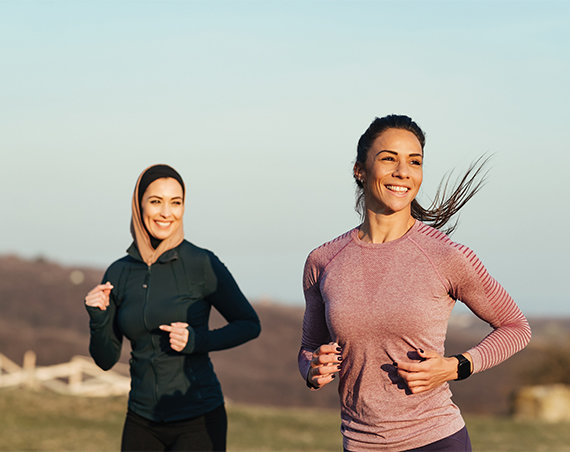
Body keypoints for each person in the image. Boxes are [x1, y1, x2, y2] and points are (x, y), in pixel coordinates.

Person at [298, 115, 531, 451]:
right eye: (389, 158)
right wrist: (312, 369)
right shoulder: (323, 261)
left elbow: (515, 327)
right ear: (359, 170)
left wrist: (455, 366)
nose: (403, 171)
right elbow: (308, 348)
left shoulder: (447, 256)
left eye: (415, 161)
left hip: (436, 440)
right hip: (358, 443)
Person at [85, 164, 261, 452]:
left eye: (175, 202)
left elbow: (249, 324)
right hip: (141, 420)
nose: (167, 212)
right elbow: (105, 360)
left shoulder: (201, 263)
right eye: (156, 201)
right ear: (139, 205)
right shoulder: (118, 273)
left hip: (199, 420)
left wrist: (197, 340)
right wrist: (98, 317)